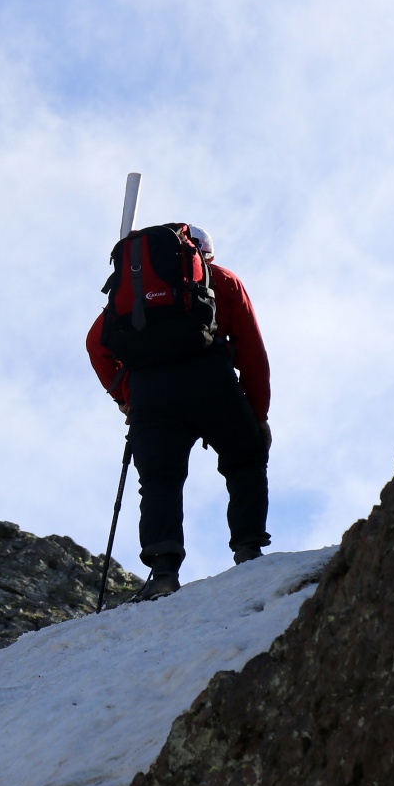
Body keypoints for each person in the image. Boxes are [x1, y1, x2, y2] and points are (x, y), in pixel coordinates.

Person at [86, 225, 271, 602]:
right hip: (209, 380)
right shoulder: (221, 280)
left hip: (150, 394)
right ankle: (248, 549)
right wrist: (258, 414)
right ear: (205, 255)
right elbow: (251, 350)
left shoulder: (131, 289)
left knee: (159, 481)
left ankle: (164, 572)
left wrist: (126, 398)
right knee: (245, 457)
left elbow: (95, 344)